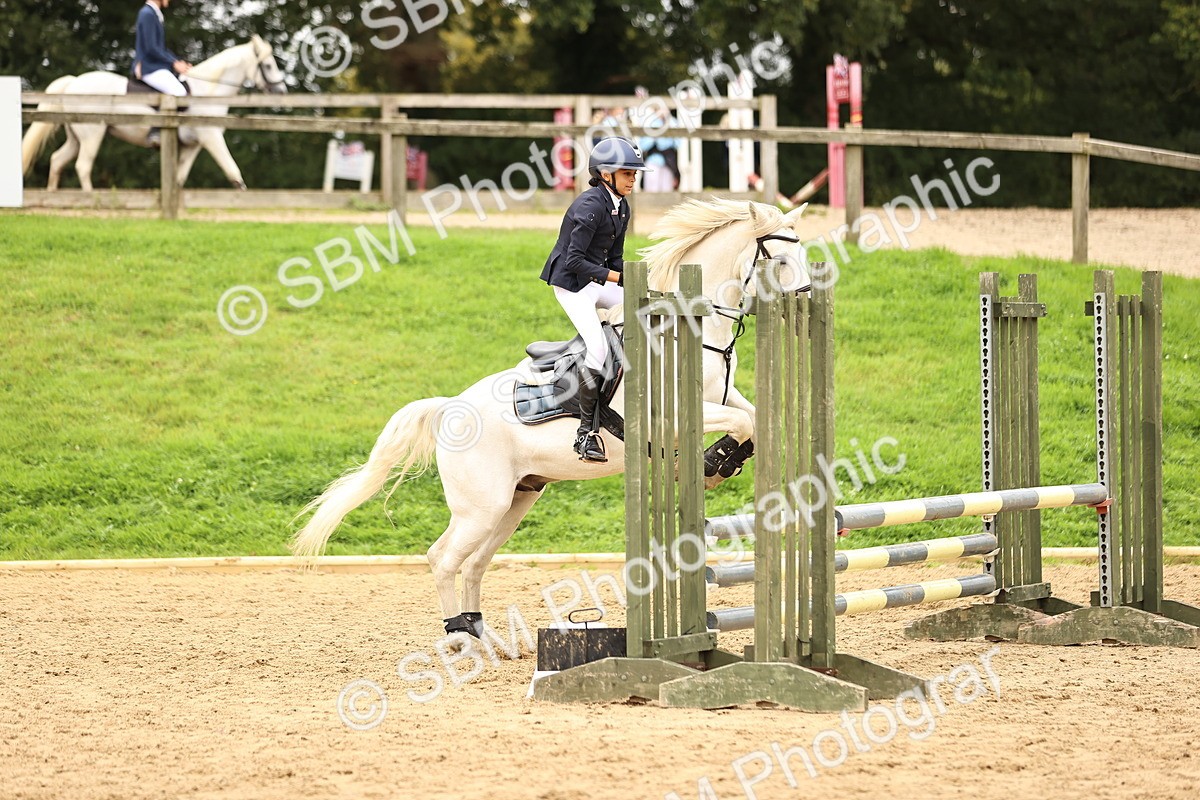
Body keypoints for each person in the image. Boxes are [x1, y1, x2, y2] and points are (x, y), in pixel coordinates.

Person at [539, 137, 650, 462]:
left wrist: (628, 283)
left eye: (634, 173)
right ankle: (586, 432)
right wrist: (619, 278)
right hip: (573, 285)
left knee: (644, 305)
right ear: (604, 173)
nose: (632, 179)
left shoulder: (622, 206)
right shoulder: (589, 206)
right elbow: (574, 261)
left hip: (597, 280)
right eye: (627, 173)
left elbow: (615, 258)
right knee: (598, 347)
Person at [132, 0, 192, 146]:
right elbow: (151, 48)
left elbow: (160, 48)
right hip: (148, 66)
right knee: (178, 91)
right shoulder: (147, 14)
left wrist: (178, 62)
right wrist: (174, 63)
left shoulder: (154, 14)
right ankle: (156, 130)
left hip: (155, 65)